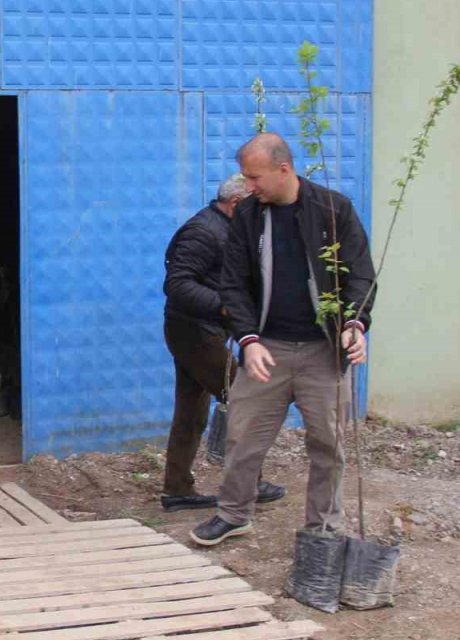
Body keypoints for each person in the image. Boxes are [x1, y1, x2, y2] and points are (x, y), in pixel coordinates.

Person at [190, 133, 376, 546]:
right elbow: (233, 283)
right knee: (242, 436)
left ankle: (323, 527)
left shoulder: (333, 210)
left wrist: (354, 324)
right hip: (267, 348)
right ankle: (234, 513)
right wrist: (248, 339)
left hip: (324, 352)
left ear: (283, 169)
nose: (248, 186)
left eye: (254, 177)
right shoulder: (248, 215)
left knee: (327, 443)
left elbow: (361, 274)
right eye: (245, 177)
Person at [161, 174, 285, 512]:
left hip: (198, 331)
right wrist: (225, 306)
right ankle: (249, 484)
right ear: (236, 203)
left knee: (190, 412)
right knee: (245, 398)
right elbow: (177, 285)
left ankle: (177, 489)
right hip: (196, 332)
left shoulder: (227, 228)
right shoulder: (202, 232)